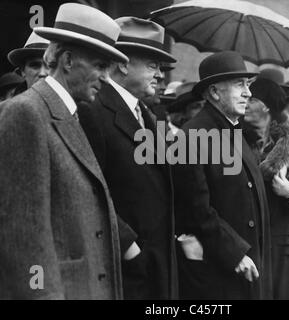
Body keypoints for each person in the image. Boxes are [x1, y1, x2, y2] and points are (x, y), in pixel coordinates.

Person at [0, 3, 137, 299]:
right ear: (69, 60)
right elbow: (24, 236)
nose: (106, 78)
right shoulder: (25, 113)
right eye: (100, 66)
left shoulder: (67, 113)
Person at [78, 16, 178, 300]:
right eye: (153, 65)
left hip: (155, 264)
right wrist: (128, 247)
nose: (161, 75)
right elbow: (89, 190)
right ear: (122, 63)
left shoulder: (147, 114)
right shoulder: (93, 110)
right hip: (123, 269)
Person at [173, 51, 272, 300]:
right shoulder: (192, 136)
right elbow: (197, 210)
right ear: (215, 92)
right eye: (240, 85)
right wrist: (235, 253)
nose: (248, 93)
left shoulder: (235, 130)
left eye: (247, 85)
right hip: (219, 272)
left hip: (248, 265)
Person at [241, 77, 289, 299]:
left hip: (280, 238)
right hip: (247, 239)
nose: (244, 101)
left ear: (265, 105)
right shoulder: (236, 136)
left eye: (251, 98)